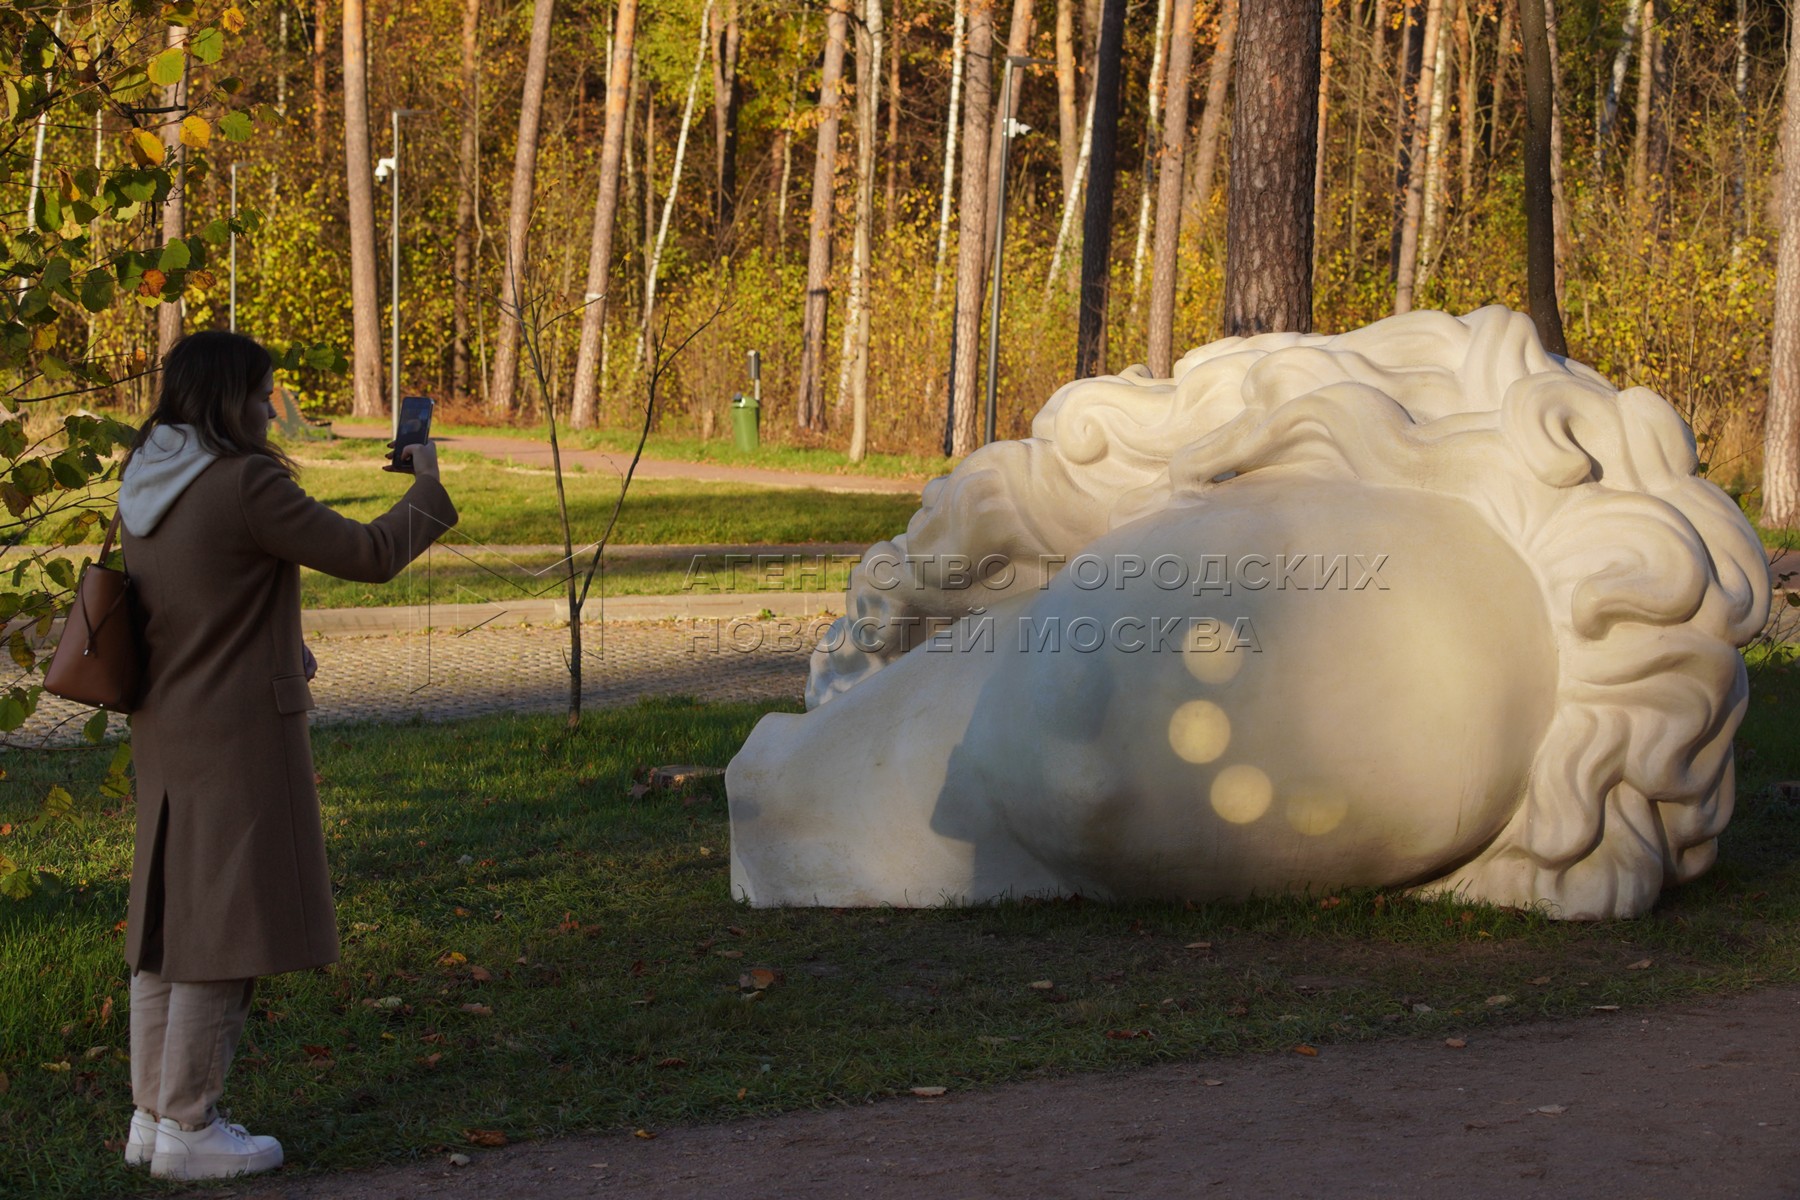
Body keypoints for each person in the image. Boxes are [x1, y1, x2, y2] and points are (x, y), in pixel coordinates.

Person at [114, 330, 458, 1180]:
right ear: (231, 394)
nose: (272, 406)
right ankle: (191, 1127)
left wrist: (276, 639)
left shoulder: (147, 474)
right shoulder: (243, 482)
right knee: (224, 929)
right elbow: (370, 556)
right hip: (237, 733)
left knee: (168, 924)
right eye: (264, 392)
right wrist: (428, 482)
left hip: (168, 724)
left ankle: (152, 1118)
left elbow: (204, 598)